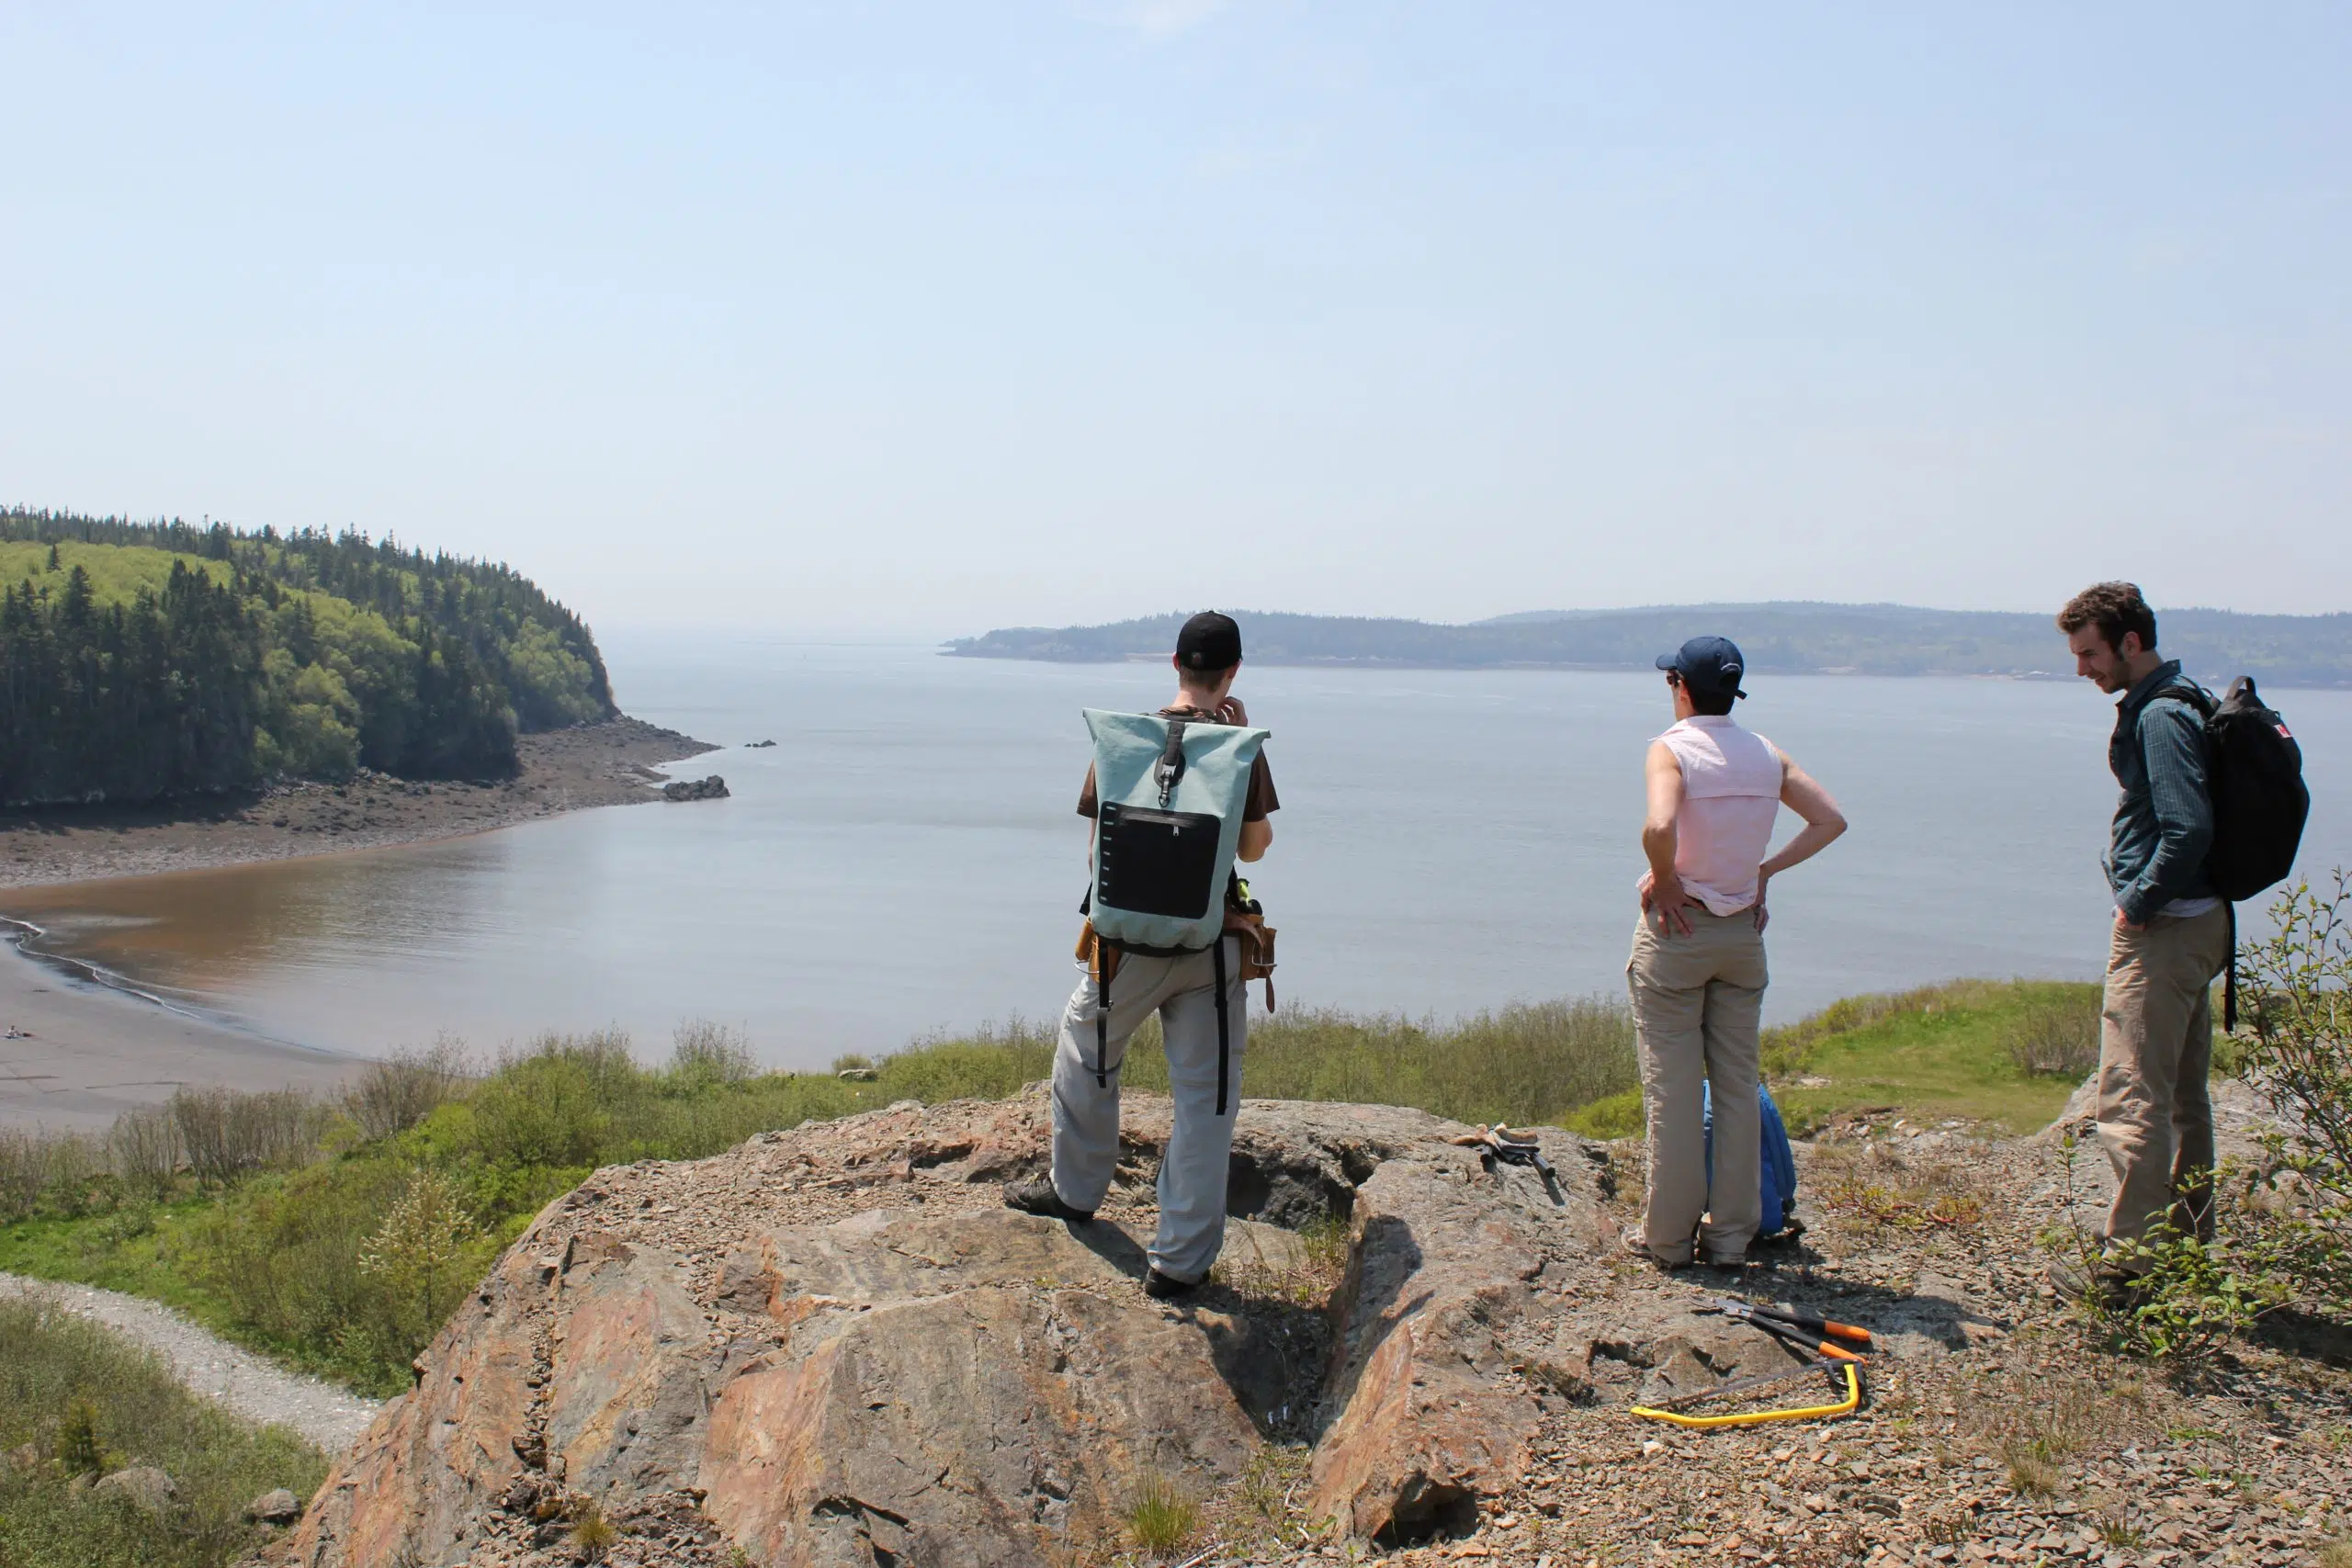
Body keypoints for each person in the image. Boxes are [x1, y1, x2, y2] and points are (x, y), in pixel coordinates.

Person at [1004, 611, 1278, 1299]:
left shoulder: (1127, 739)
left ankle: (1075, 1192)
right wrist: (1235, 738)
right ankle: (1180, 1263)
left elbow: (1098, 837)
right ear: (1233, 672)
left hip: (1121, 948)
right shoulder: (1239, 746)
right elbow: (1253, 848)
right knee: (1205, 1102)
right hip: (1209, 950)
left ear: (1175, 664)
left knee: (1086, 1052)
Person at [1624, 637, 1846, 1269]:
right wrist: (1764, 873)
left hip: (1679, 932)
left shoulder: (1672, 749)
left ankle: (1667, 1241)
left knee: (1671, 1092)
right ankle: (1730, 1237)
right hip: (1742, 936)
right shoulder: (1765, 753)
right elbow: (1830, 819)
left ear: (1680, 687)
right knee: (1736, 1086)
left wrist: (1665, 880)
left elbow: (1659, 826)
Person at [2053, 581, 2228, 1303]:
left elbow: (2187, 827)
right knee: (2184, 1094)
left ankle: (2130, 1269)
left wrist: (2137, 901)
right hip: (2203, 922)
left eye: (2090, 652)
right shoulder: (2188, 698)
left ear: (2130, 642)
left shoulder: (2160, 715)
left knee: (2129, 1096)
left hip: (2165, 928)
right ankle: (2186, 1248)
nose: (2082, 668)